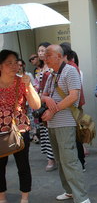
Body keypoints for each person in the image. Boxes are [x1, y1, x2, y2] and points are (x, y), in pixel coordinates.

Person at [41, 45, 90, 203]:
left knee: (70, 160)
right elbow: (42, 94)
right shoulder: (51, 74)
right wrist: (46, 98)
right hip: (53, 123)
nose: (45, 58)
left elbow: (73, 96)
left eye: (49, 55)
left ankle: (82, 198)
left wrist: (52, 109)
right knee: (61, 160)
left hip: (66, 122)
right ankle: (69, 190)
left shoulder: (70, 71)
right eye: (45, 55)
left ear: (60, 56)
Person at [0, 49, 41, 203]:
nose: (13, 66)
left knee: (22, 166)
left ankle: (24, 199)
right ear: (0, 66)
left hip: (19, 130)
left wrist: (28, 85)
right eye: (8, 63)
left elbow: (36, 105)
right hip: (0, 132)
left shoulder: (22, 81)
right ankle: (2, 198)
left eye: (15, 62)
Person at [60, 43, 86, 171]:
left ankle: (80, 163)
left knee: (75, 136)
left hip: (73, 108)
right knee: (76, 136)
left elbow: (74, 94)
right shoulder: (69, 67)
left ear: (65, 56)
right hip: (73, 107)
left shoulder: (70, 68)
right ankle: (80, 163)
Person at [37, 42, 56, 171]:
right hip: (39, 101)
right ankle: (49, 158)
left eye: (43, 51)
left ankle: (52, 159)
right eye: (39, 51)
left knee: (50, 132)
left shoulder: (52, 68)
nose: (41, 53)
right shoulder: (39, 68)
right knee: (44, 132)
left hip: (50, 102)